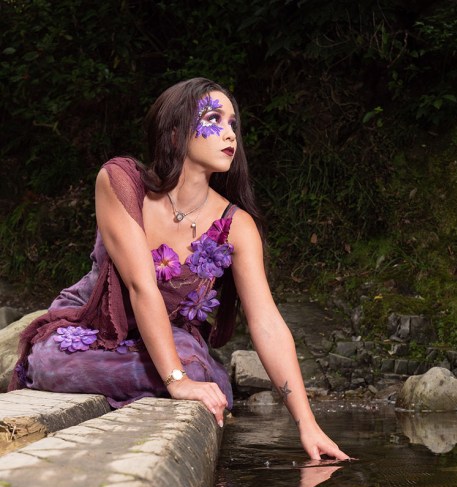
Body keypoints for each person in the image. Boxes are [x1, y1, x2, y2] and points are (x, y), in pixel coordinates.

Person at [9, 77, 349, 461]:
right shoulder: (121, 181)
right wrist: (176, 380)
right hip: (92, 326)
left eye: (233, 123)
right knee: (52, 363)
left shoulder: (237, 225)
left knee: (194, 367)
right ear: (174, 132)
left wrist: (307, 423)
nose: (230, 133)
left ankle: (165, 376)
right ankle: (156, 378)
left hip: (170, 340)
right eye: (214, 119)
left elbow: (266, 322)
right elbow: (142, 286)